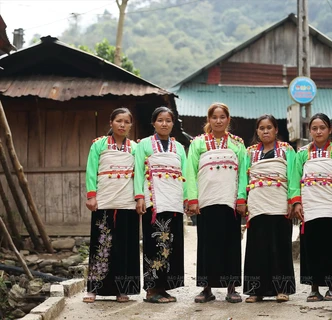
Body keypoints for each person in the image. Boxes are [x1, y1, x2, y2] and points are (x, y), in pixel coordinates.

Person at [185, 102, 247, 303]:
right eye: (214, 117)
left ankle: (231, 288)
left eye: (222, 117)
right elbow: (190, 172)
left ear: (228, 120)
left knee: (231, 244)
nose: (218, 121)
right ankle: (206, 288)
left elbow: (244, 173)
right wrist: (192, 199)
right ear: (208, 120)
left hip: (230, 201)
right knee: (207, 244)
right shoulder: (198, 143)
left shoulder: (238, 144)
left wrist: (241, 198)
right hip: (206, 201)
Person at [291, 113, 332, 302]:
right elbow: (294, 179)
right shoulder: (301, 154)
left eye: (322, 128)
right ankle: (314, 288)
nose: (318, 132)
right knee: (311, 246)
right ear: (309, 131)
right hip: (309, 205)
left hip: (331, 205)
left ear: (330, 130)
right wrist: (297, 202)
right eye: (314, 128)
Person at [83, 107, 140, 303]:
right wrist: (91, 196)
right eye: (119, 121)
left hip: (127, 202)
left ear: (131, 125)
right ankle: (93, 289)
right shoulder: (98, 145)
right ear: (111, 123)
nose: (122, 125)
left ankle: (122, 289)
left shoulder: (135, 148)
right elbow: (91, 170)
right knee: (101, 245)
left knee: (124, 247)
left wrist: (140, 197)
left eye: (126, 121)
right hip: (105, 201)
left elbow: (140, 174)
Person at [134, 107, 187, 303]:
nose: (164, 124)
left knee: (171, 245)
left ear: (173, 124)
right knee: (154, 243)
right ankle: (151, 290)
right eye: (160, 120)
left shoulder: (179, 147)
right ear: (153, 123)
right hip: (153, 201)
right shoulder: (144, 145)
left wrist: (188, 198)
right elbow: (139, 171)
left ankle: (163, 287)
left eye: (168, 120)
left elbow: (186, 174)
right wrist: (139, 197)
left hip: (173, 201)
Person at [243, 114, 296, 303]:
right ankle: (255, 290)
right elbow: (243, 178)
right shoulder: (249, 153)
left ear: (276, 130)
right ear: (257, 131)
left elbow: (293, 176)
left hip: (279, 202)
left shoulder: (287, 151)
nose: (265, 131)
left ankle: (283, 289)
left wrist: (293, 200)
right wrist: (242, 199)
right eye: (261, 128)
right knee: (257, 246)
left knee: (280, 245)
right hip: (257, 203)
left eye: (269, 128)